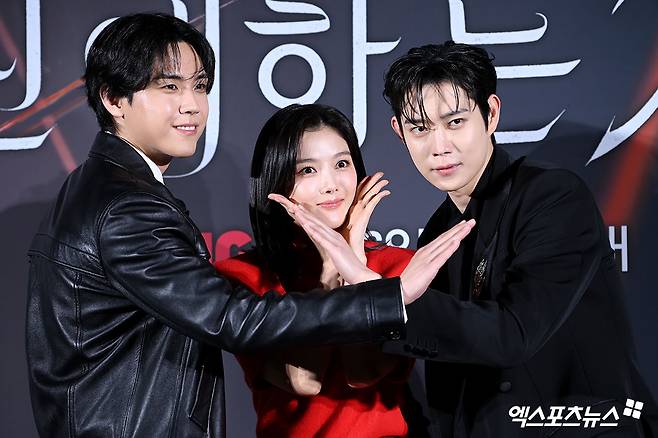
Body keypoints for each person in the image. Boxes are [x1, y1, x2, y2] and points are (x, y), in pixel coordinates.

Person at [24, 15, 473, 438]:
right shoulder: (127, 206)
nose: (191, 105)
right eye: (170, 86)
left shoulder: (107, 189)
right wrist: (385, 295)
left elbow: (365, 372)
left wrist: (359, 268)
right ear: (113, 99)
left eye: (200, 86)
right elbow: (231, 318)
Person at [375, 41, 658, 437]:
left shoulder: (552, 197)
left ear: (490, 114)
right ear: (399, 133)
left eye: (455, 122)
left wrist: (386, 301)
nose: (439, 147)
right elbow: (448, 376)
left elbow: (513, 334)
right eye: (420, 128)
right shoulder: (438, 230)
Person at [215, 104, 416, 437]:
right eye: (308, 170)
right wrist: (329, 272)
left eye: (342, 164)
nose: (331, 185)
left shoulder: (399, 267)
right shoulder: (243, 277)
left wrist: (354, 264)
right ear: (276, 181)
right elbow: (303, 379)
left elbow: (363, 371)